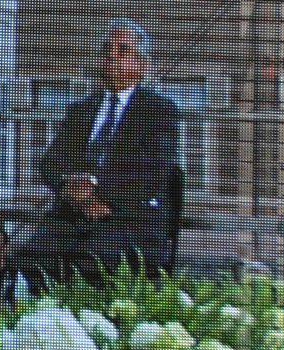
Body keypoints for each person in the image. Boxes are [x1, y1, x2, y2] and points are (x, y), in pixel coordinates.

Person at [17, 19, 180, 286]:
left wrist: (99, 191)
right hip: (72, 215)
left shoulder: (158, 110)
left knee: (93, 259)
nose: (111, 55)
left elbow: (154, 171)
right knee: (28, 257)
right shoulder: (80, 110)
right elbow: (50, 162)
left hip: (127, 219)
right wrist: (69, 185)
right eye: (107, 49)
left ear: (141, 66)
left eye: (122, 50)